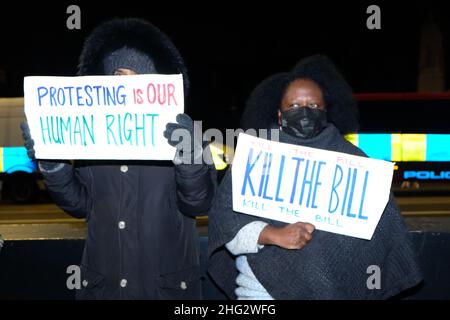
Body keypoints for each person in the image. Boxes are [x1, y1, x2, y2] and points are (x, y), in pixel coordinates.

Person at [21, 18, 216, 299]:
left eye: (137, 77)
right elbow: (80, 205)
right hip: (105, 288)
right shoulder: (93, 138)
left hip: (164, 291)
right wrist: (54, 165)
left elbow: (198, 203)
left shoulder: (185, 133)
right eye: (119, 75)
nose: (126, 85)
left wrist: (189, 156)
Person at [208, 55, 423, 299]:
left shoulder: (352, 158)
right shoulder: (257, 154)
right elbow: (225, 222)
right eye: (294, 106)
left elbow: (384, 224)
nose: (304, 113)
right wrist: (273, 234)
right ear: (280, 115)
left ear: (326, 111)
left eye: (313, 106)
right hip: (260, 293)